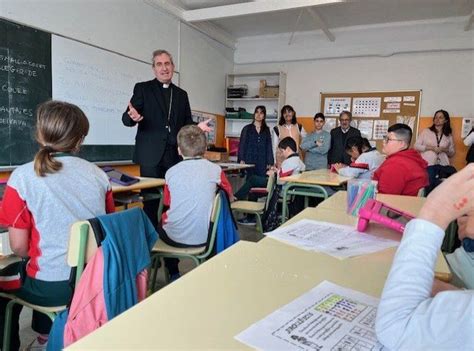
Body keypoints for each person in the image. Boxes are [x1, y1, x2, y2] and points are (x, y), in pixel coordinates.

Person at [0, 101, 115, 350]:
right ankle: (47, 336)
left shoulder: (22, 176)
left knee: (17, 274)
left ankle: (27, 342)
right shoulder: (99, 175)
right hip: (92, 280)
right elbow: (105, 229)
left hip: (51, 288)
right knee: (38, 268)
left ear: (40, 134)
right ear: (78, 141)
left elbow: (19, 246)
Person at [375, 164, 474, 350]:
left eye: (389, 139)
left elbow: (395, 328)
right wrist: (460, 297)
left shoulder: (392, 165)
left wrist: (435, 212)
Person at [122, 49, 211, 228]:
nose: (164, 68)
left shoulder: (181, 94)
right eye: (159, 64)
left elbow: (187, 123)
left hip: (174, 156)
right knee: (151, 201)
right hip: (150, 155)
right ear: (154, 68)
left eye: (167, 64)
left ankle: (169, 244)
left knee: (172, 200)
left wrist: (197, 128)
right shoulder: (143, 88)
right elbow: (127, 117)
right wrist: (132, 117)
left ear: (173, 67)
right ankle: (152, 246)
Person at [158, 125, 233, 280]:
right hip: (206, 237)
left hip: (173, 237)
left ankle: (173, 272)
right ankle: (208, 269)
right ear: (205, 148)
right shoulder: (215, 170)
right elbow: (229, 196)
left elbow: (168, 202)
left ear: (179, 150)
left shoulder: (170, 173)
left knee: (160, 221)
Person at [373, 123, 428, 196]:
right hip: (408, 205)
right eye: (384, 138)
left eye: (388, 139)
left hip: (395, 205)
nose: (383, 142)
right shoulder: (409, 158)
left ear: (402, 144)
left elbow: (385, 197)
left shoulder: (396, 164)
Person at [414, 109, 456, 193]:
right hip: (428, 164)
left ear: (446, 120)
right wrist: (431, 148)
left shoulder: (448, 135)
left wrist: (444, 149)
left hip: (443, 165)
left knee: (441, 189)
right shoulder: (426, 131)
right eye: (436, 117)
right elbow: (416, 146)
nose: (437, 119)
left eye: (440, 117)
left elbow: (452, 152)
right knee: (429, 186)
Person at [237, 105, 274, 178]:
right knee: (249, 181)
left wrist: (270, 161)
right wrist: (241, 159)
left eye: (261, 113)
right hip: (249, 159)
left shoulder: (266, 130)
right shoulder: (247, 128)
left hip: (262, 161)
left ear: (264, 116)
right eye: (257, 112)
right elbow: (242, 145)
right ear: (254, 114)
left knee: (260, 182)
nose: (258, 115)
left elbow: (269, 146)